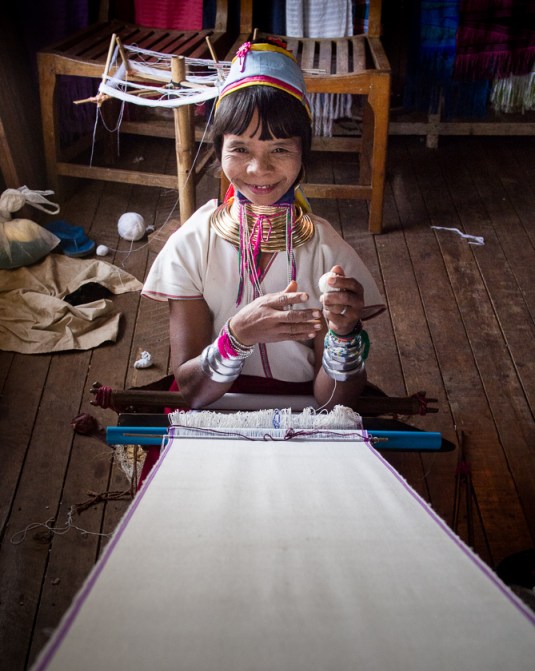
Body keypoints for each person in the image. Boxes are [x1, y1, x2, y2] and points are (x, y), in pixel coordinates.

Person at [142, 39, 386, 414]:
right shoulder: (193, 245)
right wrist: (237, 337)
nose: (259, 170)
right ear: (219, 149)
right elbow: (191, 391)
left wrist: (343, 336)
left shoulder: (328, 254)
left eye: (280, 149)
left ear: (303, 152)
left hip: (304, 413)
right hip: (212, 411)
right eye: (240, 149)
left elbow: (333, 402)